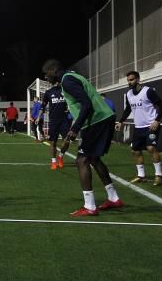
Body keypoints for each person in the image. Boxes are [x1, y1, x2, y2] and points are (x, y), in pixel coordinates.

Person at [43, 59, 123, 217]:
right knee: (93, 159)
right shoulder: (72, 77)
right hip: (101, 118)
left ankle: (90, 206)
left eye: (46, 73)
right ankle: (113, 198)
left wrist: (75, 128)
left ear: (53, 69)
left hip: (96, 120)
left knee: (81, 160)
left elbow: (86, 104)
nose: (46, 77)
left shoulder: (67, 81)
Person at [116, 71, 162, 186]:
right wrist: (121, 121)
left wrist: (157, 120)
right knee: (135, 150)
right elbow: (128, 109)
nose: (129, 82)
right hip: (138, 127)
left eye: (132, 79)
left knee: (151, 148)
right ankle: (141, 176)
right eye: (128, 80)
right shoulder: (129, 94)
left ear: (138, 79)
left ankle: (159, 175)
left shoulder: (147, 91)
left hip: (150, 126)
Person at [42, 80, 70, 170]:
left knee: (67, 140)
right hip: (53, 121)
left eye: (58, 80)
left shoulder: (65, 90)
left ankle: (60, 157)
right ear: (52, 82)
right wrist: (39, 116)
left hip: (64, 120)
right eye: (55, 80)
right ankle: (54, 162)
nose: (57, 82)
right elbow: (43, 105)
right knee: (53, 142)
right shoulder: (48, 92)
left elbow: (71, 101)